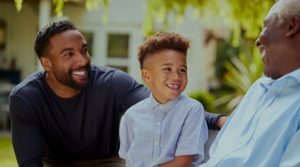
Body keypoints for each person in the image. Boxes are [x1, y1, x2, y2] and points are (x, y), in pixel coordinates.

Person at [9, 20, 225, 167]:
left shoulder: (112, 83)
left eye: (84, 49)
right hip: (56, 164)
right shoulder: (26, 98)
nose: (83, 60)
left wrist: (216, 120)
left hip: (109, 162)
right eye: (69, 54)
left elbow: (164, 103)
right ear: (47, 63)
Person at [200, 0, 300, 166]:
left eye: (265, 25)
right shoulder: (257, 89)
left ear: (291, 26)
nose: (257, 40)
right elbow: (217, 154)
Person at [119, 32, 208, 167]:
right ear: (147, 76)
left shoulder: (192, 110)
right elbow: (128, 159)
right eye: (167, 69)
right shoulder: (131, 116)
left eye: (182, 70)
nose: (176, 76)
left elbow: (183, 162)